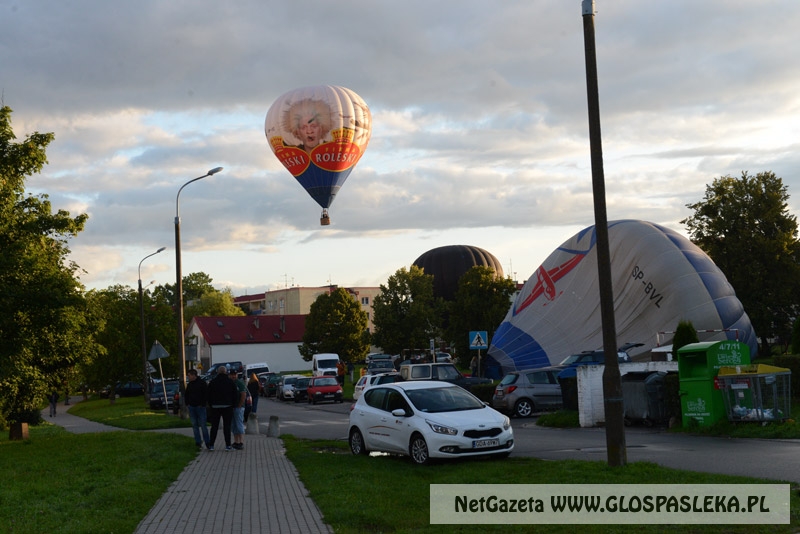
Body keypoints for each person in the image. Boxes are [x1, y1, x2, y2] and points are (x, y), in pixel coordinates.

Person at [206, 365, 238, 451]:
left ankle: (211, 445)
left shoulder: (213, 382)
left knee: (214, 426)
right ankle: (228, 445)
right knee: (227, 426)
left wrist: (210, 404)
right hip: (228, 406)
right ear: (225, 372)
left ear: (218, 372)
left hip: (215, 407)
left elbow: (208, 394)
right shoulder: (230, 382)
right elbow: (235, 394)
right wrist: (233, 405)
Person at [185, 369, 211, 450]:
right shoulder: (190, 385)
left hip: (200, 407)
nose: (188, 377)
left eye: (189, 375)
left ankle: (207, 442)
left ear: (193, 375)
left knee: (203, 425)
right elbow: (187, 394)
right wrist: (187, 404)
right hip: (192, 407)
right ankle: (198, 442)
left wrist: (202, 404)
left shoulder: (202, 383)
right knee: (194, 425)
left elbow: (206, 394)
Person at [230, 370, 247, 450]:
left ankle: (241, 442)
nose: (233, 376)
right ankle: (236, 441)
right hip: (232, 407)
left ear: (236, 375)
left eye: (234, 375)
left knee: (239, 424)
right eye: (232, 375)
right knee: (234, 425)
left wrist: (240, 405)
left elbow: (243, 394)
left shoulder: (239, 383)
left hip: (238, 407)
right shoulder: (229, 383)